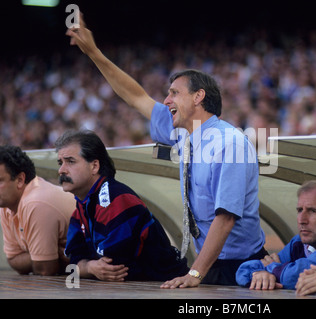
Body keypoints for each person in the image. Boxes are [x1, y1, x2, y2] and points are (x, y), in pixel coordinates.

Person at [66, 14, 267, 287]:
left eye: (174, 93)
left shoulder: (229, 143)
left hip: (241, 270)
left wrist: (194, 274)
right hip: (209, 267)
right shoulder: (183, 133)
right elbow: (136, 97)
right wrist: (93, 52)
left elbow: (225, 219)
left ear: (199, 97)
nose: (166, 100)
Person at [56, 130, 189, 281]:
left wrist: (86, 266)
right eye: (60, 163)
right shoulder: (82, 206)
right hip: (139, 288)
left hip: (169, 288)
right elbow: (73, 262)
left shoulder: (115, 198)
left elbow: (112, 267)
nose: (61, 170)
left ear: (94, 166)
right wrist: (90, 267)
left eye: (70, 161)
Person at [0, 145, 75, 276]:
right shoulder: (6, 205)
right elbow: (13, 260)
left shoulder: (36, 202)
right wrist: (41, 255)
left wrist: (38, 257)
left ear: (20, 180)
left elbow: (45, 270)